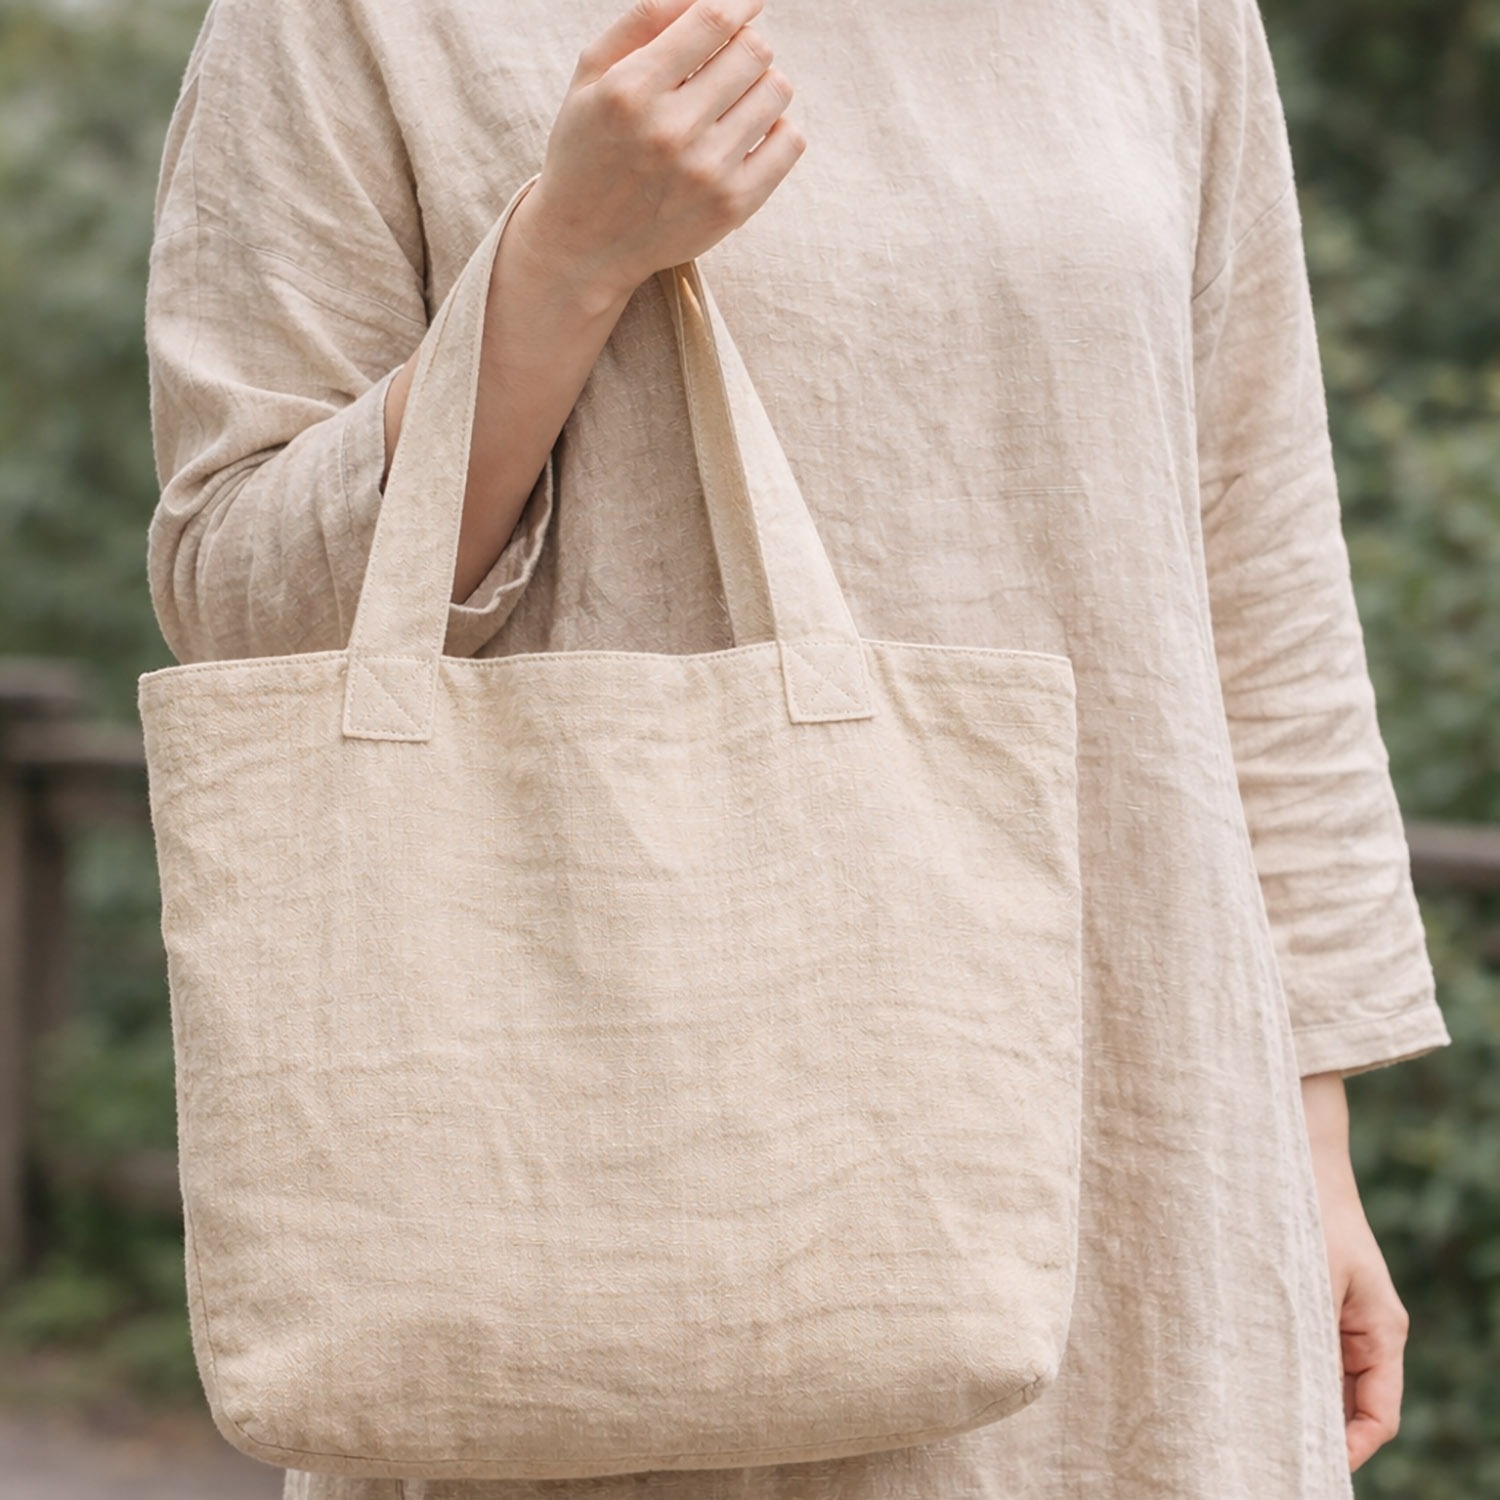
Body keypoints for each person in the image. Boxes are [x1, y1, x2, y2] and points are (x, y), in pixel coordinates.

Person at [143, 0, 1453, 1495]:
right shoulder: (348, 22)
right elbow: (239, 602)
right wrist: (564, 261)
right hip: (623, 1180)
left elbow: (1259, 565)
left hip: (1144, 1135)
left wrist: (1311, 1135)